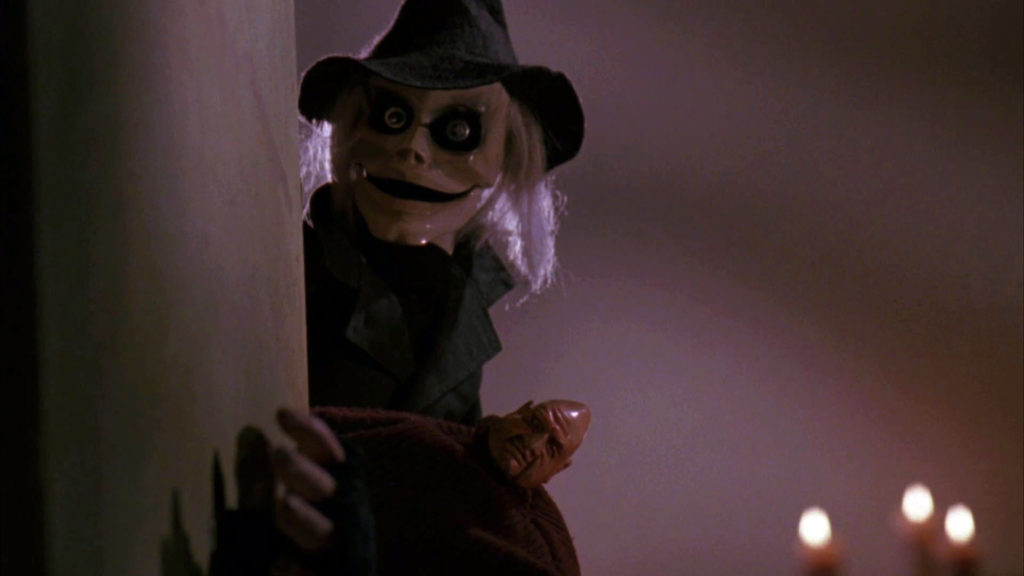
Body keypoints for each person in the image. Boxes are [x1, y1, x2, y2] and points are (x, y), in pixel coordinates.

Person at [298, 0, 585, 424]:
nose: (412, 148)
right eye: (392, 116)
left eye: (458, 129)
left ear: (506, 154)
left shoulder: (459, 296)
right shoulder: (298, 266)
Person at [210, 400, 591, 575]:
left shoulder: (536, 544)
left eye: (551, 447)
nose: (532, 443)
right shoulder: (431, 436)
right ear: (519, 411)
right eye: (534, 423)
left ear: (559, 469)